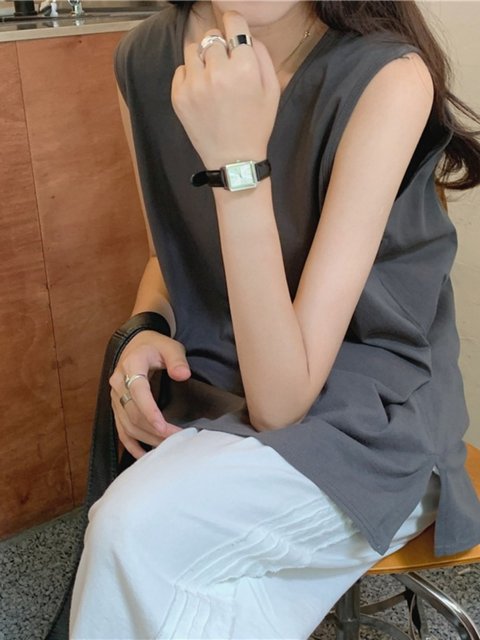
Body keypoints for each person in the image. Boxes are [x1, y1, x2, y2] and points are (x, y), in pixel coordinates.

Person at [69, 1, 480, 638]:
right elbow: (171, 253)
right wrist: (148, 322)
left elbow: (282, 405)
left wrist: (238, 161)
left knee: (136, 533)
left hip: (374, 416)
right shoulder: (145, 60)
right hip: (220, 384)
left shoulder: (386, 78)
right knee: (155, 565)